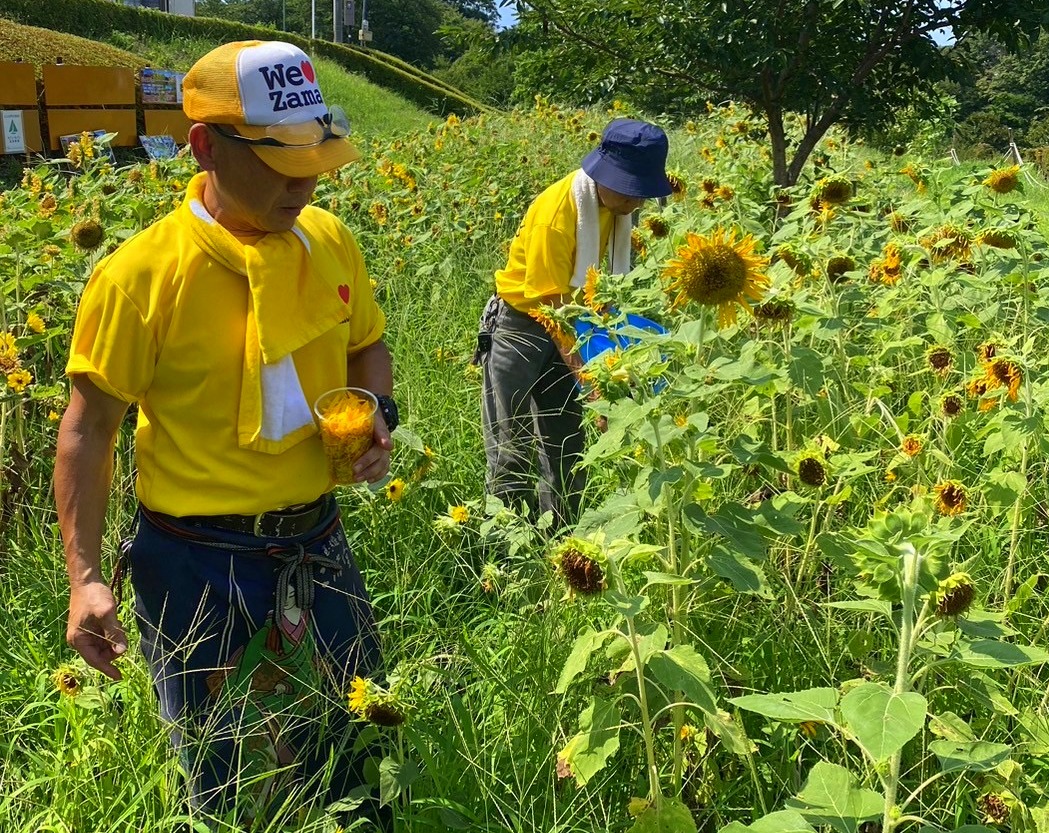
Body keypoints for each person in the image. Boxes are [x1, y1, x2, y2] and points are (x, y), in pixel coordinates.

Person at [53, 40, 400, 824]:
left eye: (314, 152)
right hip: (194, 561)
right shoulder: (142, 276)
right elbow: (88, 431)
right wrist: (85, 578)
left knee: (358, 746)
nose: (305, 177)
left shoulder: (329, 239)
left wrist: (380, 412)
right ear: (205, 145)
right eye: (279, 158)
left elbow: (367, 345)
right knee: (224, 781)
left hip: (318, 543)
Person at [476, 118, 671, 528]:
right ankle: (506, 555)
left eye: (643, 192)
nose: (636, 204)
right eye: (630, 190)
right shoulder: (557, 214)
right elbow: (553, 309)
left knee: (566, 445)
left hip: (577, 324)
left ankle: (564, 543)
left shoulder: (617, 210)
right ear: (603, 173)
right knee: (511, 447)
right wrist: (597, 386)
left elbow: (596, 299)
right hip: (524, 326)